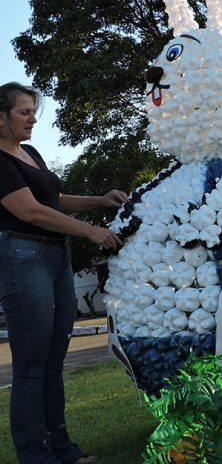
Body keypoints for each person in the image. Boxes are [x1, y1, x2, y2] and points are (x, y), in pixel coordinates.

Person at [0, 82, 127, 464]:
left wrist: (99, 201)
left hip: (56, 257)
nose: (32, 119)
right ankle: (36, 457)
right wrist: (92, 232)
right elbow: (30, 211)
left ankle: (62, 449)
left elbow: (51, 200)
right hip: (23, 254)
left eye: (32, 111)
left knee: (53, 362)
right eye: (24, 112)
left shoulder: (30, 153)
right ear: (0, 118)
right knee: (31, 366)